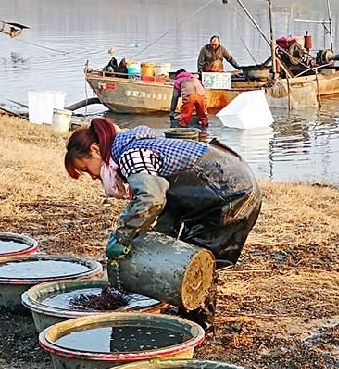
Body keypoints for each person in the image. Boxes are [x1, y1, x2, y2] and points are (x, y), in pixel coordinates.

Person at [63, 117, 263, 328]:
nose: (93, 177)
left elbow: (151, 198)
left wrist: (122, 236)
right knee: (190, 254)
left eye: (86, 169)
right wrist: (154, 241)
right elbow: (168, 203)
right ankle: (190, 315)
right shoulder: (131, 148)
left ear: (95, 150)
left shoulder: (130, 155)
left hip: (229, 192)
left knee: (198, 261)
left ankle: (197, 327)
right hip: (217, 188)